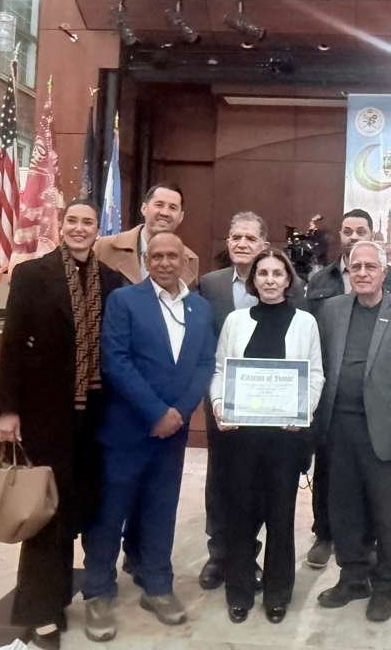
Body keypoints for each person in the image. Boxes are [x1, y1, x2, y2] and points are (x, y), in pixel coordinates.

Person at [0, 200, 124, 649]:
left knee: (75, 509)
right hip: (45, 413)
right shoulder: (32, 275)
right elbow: (12, 343)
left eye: (88, 222)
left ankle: (58, 596)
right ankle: (39, 613)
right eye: (73, 221)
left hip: (95, 416)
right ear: (61, 225)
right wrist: (8, 410)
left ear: (98, 229)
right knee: (44, 511)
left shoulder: (111, 281)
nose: (80, 228)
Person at [82, 232, 216, 641]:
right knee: (109, 513)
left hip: (172, 435)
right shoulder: (124, 301)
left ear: (185, 261)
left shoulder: (200, 308)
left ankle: (157, 585)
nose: (164, 262)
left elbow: (205, 363)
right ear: (145, 259)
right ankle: (98, 591)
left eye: (172, 255)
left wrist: (179, 413)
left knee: (161, 509)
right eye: (156, 256)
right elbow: (115, 360)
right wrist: (156, 412)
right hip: (126, 430)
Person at [209, 248, 324, 625]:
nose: (270, 280)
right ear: (253, 280)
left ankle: (277, 593)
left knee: (280, 516)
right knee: (240, 515)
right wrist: (220, 404)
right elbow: (220, 370)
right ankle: (239, 591)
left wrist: (302, 411)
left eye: (277, 273)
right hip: (241, 437)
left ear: (288, 279)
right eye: (263, 273)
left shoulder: (305, 322)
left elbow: (316, 374)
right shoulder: (236, 321)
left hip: (285, 438)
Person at [196, 211, 305, 590]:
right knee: (220, 478)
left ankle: (248, 554)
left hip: (273, 407)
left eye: (249, 238)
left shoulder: (290, 286)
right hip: (225, 404)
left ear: (263, 245)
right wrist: (216, 398)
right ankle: (219, 554)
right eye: (235, 236)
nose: (241, 243)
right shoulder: (209, 284)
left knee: (258, 483)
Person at [314, 240, 391, 622]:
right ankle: (352, 578)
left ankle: (384, 586)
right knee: (342, 508)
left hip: (383, 430)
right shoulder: (332, 310)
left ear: (384, 272)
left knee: (384, 514)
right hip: (337, 427)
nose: (362, 273)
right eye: (355, 266)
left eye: (370, 267)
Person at [304, 208, 391, 567]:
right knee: (334, 485)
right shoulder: (324, 288)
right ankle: (329, 541)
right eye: (347, 230)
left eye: (360, 231)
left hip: (378, 414)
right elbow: (314, 346)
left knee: (376, 493)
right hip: (335, 412)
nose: (362, 272)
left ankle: (374, 556)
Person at [94, 182, 199, 286]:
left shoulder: (189, 260)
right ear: (144, 208)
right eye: (159, 205)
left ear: (181, 217)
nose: (165, 213)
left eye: (173, 208)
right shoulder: (104, 247)